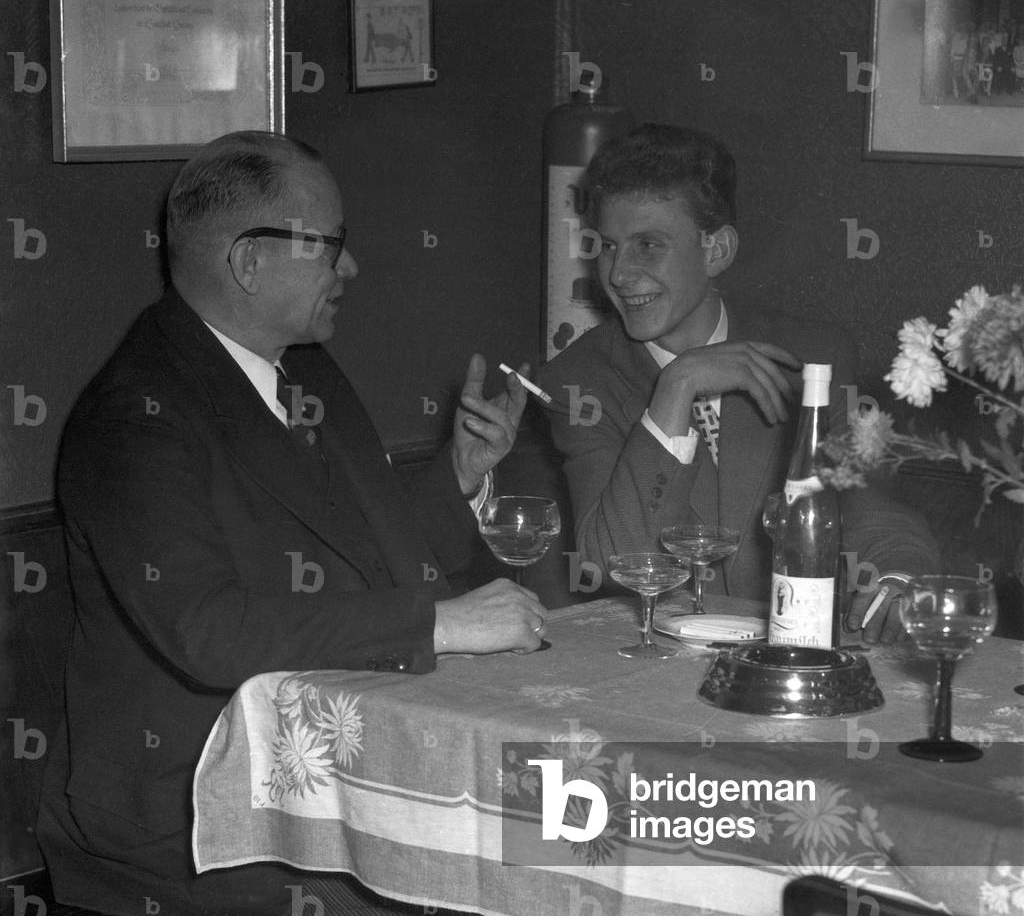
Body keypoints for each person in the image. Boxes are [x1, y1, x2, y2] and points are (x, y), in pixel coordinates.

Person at [37, 131, 547, 916]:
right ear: (248, 262)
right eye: (331, 245)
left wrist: (459, 474)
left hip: (325, 788)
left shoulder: (301, 367)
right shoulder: (133, 418)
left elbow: (366, 550)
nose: (350, 267)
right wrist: (439, 623)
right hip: (195, 830)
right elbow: (209, 630)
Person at [537, 124, 939, 644]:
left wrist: (898, 574)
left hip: (789, 654)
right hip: (653, 660)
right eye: (609, 246)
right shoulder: (578, 381)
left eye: (649, 245)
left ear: (717, 250)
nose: (618, 272)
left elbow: (872, 507)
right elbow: (616, 562)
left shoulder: (814, 356)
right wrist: (678, 384)